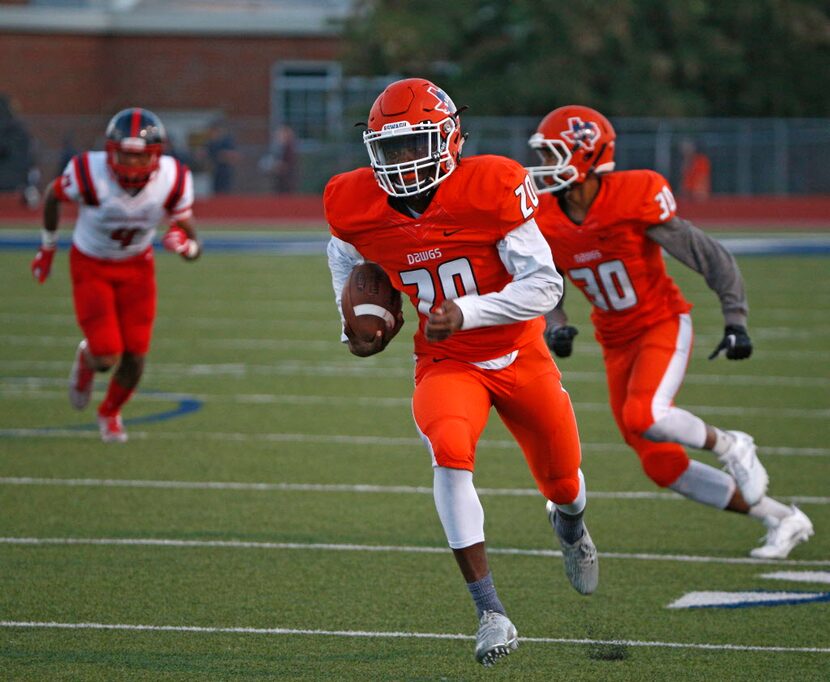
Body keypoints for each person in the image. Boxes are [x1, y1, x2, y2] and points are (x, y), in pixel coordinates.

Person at [325, 78, 598, 668]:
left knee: (565, 482)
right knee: (449, 448)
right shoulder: (354, 202)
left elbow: (547, 285)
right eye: (388, 148)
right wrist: (351, 322)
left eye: (412, 144)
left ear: (448, 139)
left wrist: (468, 311)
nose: (400, 160)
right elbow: (345, 253)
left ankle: (570, 525)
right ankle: (490, 611)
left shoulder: (490, 186)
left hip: (520, 353)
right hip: (447, 361)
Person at [526, 105, 813, 560]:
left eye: (554, 155)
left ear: (586, 155)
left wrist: (735, 317)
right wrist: (556, 322)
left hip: (661, 322)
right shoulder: (545, 215)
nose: (545, 167)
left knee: (645, 414)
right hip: (615, 339)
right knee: (660, 463)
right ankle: (782, 518)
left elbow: (708, 255)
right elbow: (548, 277)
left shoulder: (632, 196)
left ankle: (731, 443)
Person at [31, 107, 201, 443]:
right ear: (110, 151)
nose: (131, 165)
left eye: (140, 158)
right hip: (91, 264)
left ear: (156, 155)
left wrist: (185, 248)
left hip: (137, 267)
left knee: (136, 355)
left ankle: (109, 411)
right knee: (107, 354)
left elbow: (195, 243)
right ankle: (87, 358)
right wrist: (48, 246)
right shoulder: (88, 171)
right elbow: (53, 195)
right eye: (124, 155)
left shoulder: (174, 178)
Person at [258, 124, 299, 193]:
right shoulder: (277, 148)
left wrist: (278, 166)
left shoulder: (289, 148)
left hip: (286, 179)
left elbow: (288, 164)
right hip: (277, 178)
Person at [204, 119, 239, 194]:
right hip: (215, 172)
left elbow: (233, 156)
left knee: (225, 191)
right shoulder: (211, 143)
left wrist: (222, 156)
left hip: (225, 172)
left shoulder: (227, 141)